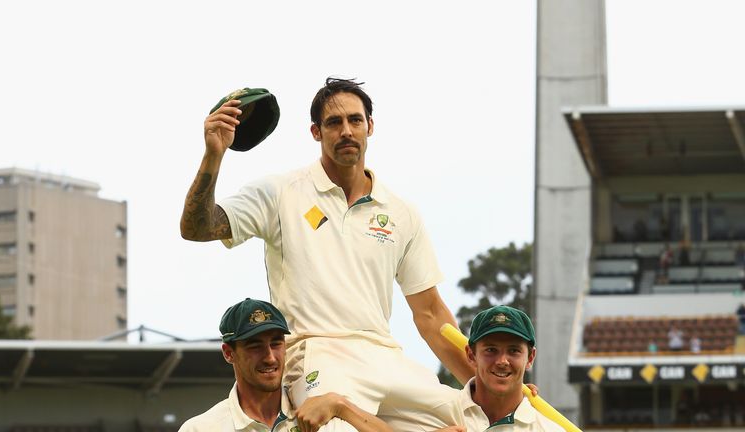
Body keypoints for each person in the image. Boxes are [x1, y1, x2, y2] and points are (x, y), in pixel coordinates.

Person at [180, 78, 470, 431]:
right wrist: (214, 154)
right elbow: (197, 227)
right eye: (334, 123)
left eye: (355, 120)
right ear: (316, 132)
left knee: (481, 417)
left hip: (386, 355)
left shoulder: (401, 211)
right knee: (336, 429)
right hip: (317, 356)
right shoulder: (280, 192)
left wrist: (485, 384)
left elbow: (429, 313)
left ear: (370, 126)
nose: (346, 131)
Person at [179, 298, 395, 432]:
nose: (270, 357)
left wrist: (340, 405)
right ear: (229, 353)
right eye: (255, 346)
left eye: (276, 343)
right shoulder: (201, 428)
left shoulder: (315, 409)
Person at [447, 305, 564, 432]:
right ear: (471, 355)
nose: (502, 361)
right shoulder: (439, 412)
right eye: (491, 350)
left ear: (530, 358)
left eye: (514, 350)